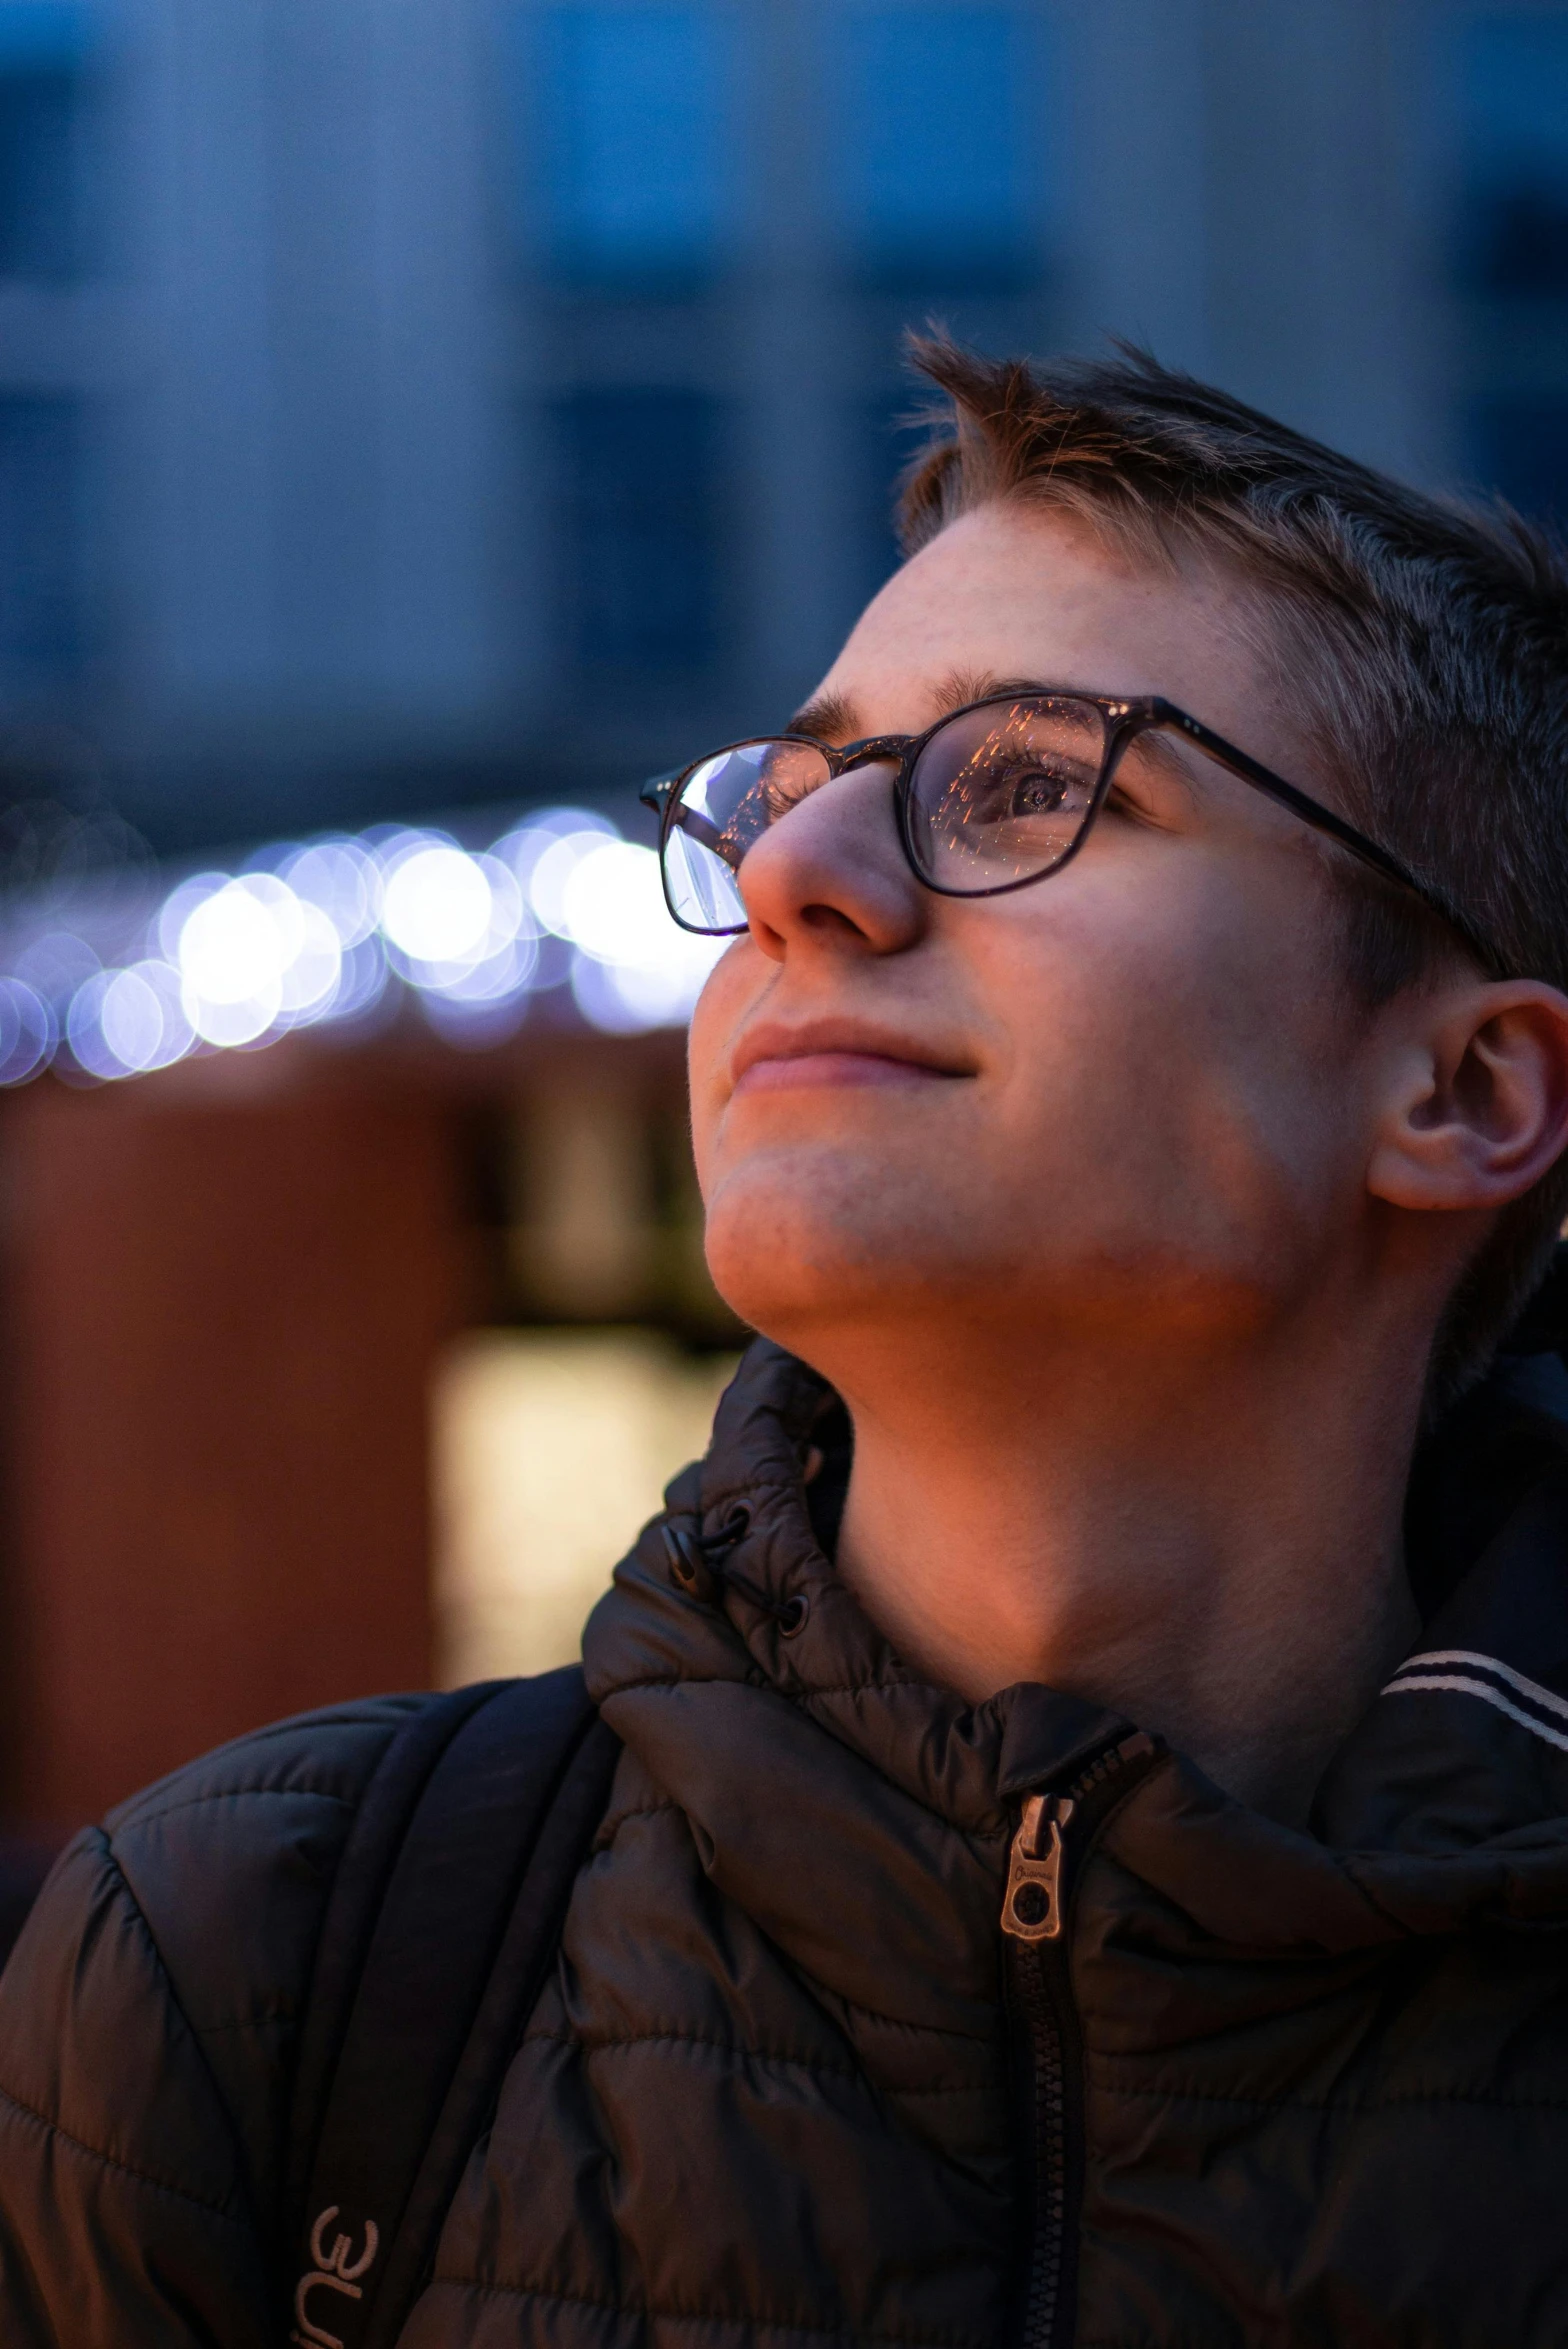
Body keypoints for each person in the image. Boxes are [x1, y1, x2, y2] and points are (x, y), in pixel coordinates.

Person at [5, 339, 1568, 2347]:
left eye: (1023, 779)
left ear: (1461, 1091)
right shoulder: (255, 1959)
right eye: (792, 790)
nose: (785, 877)